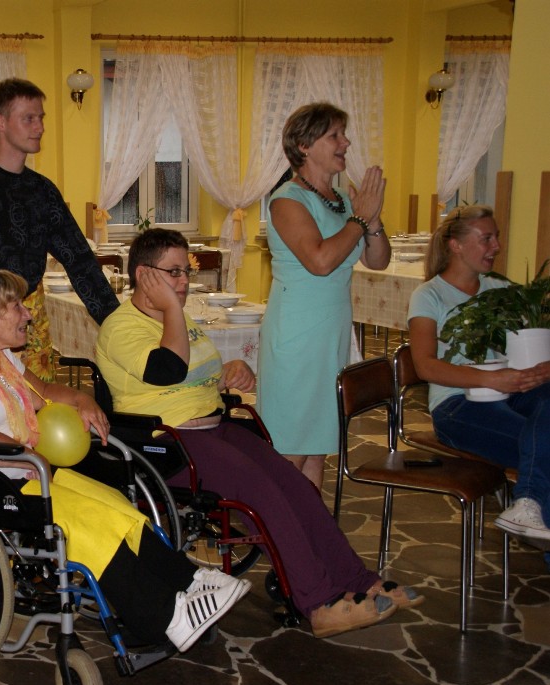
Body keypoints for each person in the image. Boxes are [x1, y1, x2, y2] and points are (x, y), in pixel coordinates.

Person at [96, 228, 422, 639]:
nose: (183, 282)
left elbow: (193, 374)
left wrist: (227, 371)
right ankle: (319, 603)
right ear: (144, 275)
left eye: (185, 272)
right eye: (173, 272)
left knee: (295, 485)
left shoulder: (179, 319)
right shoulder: (121, 326)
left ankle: (359, 581)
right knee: (263, 495)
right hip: (167, 445)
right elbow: (168, 370)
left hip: (212, 428)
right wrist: (173, 309)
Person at [0, 254, 247, 652]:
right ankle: (162, 617)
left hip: (22, 469)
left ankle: (190, 582)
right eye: (16, 307)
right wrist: (35, 457)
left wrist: (81, 400)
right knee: (84, 523)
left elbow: (43, 393)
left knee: (114, 505)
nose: (27, 314)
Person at [0, 78, 118, 382]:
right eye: (29, 118)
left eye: (41, 118)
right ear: (0, 122)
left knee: (38, 405)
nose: (40, 127)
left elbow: (81, 261)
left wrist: (120, 324)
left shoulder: (43, 191)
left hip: (30, 324)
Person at [258, 102, 391, 490]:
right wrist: (360, 219)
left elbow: (378, 260)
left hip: (329, 335)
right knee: (291, 448)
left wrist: (373, 219)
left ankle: (310, 524)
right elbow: (319, 261)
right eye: (335, 135)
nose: (345, 143)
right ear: (304, 145)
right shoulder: (287, 200)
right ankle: (278, 521)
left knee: (316, 447)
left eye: (343, 135)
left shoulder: (345, 201)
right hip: (298, 337)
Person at [407, 206, 550, 542]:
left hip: (510, 392)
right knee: (540, 445)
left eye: (496, 237)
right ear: (456, 245)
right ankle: (529, 508)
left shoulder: (499, 288)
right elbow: (425, 365)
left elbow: (529, 339)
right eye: (486, 238)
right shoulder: (429, 295)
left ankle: (527, 504)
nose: (496, 246)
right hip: (457, 404)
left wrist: (541, 368)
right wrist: (490, 379)